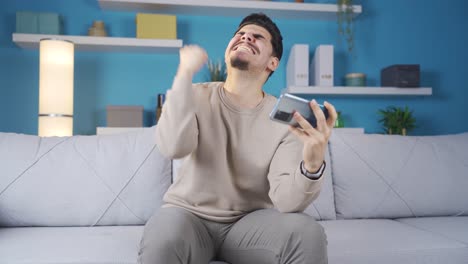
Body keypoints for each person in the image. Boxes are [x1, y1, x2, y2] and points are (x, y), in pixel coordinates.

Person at [138, 13, 337, 264]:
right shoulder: (193, 95)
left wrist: (312, 165)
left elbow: (287, 202)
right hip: (188, 217)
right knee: (163, 236)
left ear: (273, 63)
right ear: (227, 51)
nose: (246, 37)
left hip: (249, 225)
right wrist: (183, 73)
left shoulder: (286, 121)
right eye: (240, 35)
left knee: (308, 232)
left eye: (257, 37)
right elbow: (173, 146)